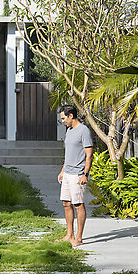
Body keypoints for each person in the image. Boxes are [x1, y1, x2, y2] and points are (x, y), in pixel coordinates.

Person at [57, 104, 93, 247]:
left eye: (63, 118)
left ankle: (78, 238)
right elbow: (68, 154)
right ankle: (69, 234)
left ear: (71, 115)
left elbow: (89, 155)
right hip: (67, 173)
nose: (63, 121)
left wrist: (85, 174)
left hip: (78, 174)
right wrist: (62, 170)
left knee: (78, 205)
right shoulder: (69, 131)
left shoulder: (84, 131)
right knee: (66, 203)